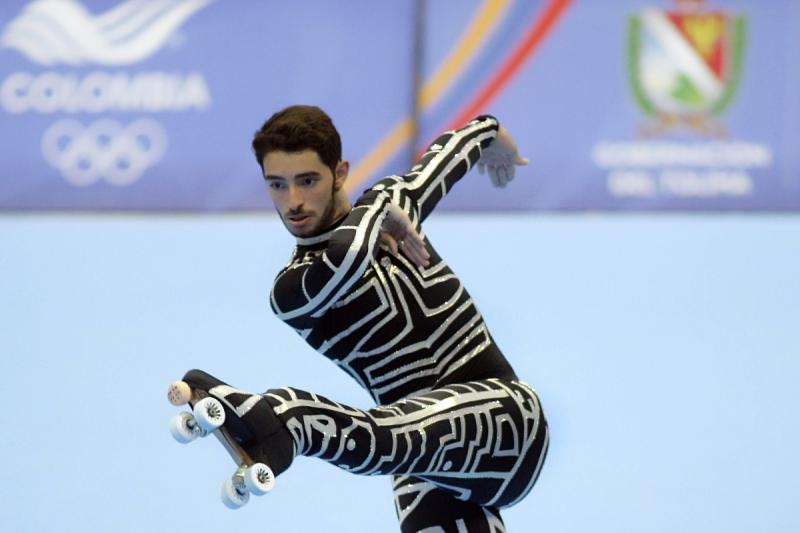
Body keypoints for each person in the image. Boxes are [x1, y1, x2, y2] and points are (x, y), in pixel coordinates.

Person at [180, 106, 548, 532]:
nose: (293, 201)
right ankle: (278, 421)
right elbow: (346, 258)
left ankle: (287, 422)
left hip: (507, 421)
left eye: (308, 180)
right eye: (276, 185)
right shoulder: (292, 291)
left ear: (340, 173)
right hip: (423, 462)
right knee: (393, 441)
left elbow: (449, 154)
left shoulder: (389, 204)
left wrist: (495, 134)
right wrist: (380, 209)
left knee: (385, 435)